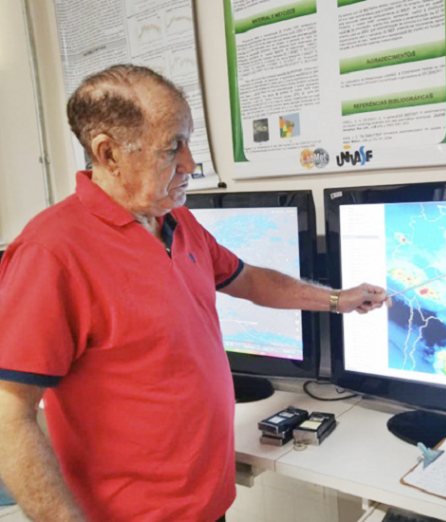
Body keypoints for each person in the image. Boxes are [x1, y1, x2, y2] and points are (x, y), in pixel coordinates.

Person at [0, 64, 390, 522]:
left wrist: (337, 300)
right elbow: (9, 417)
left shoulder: (174, 219)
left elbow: (249, 279)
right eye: (172, 147)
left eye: (187, 143)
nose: (189, 164)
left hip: (206, 502)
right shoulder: (51, 253)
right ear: (108, 154)